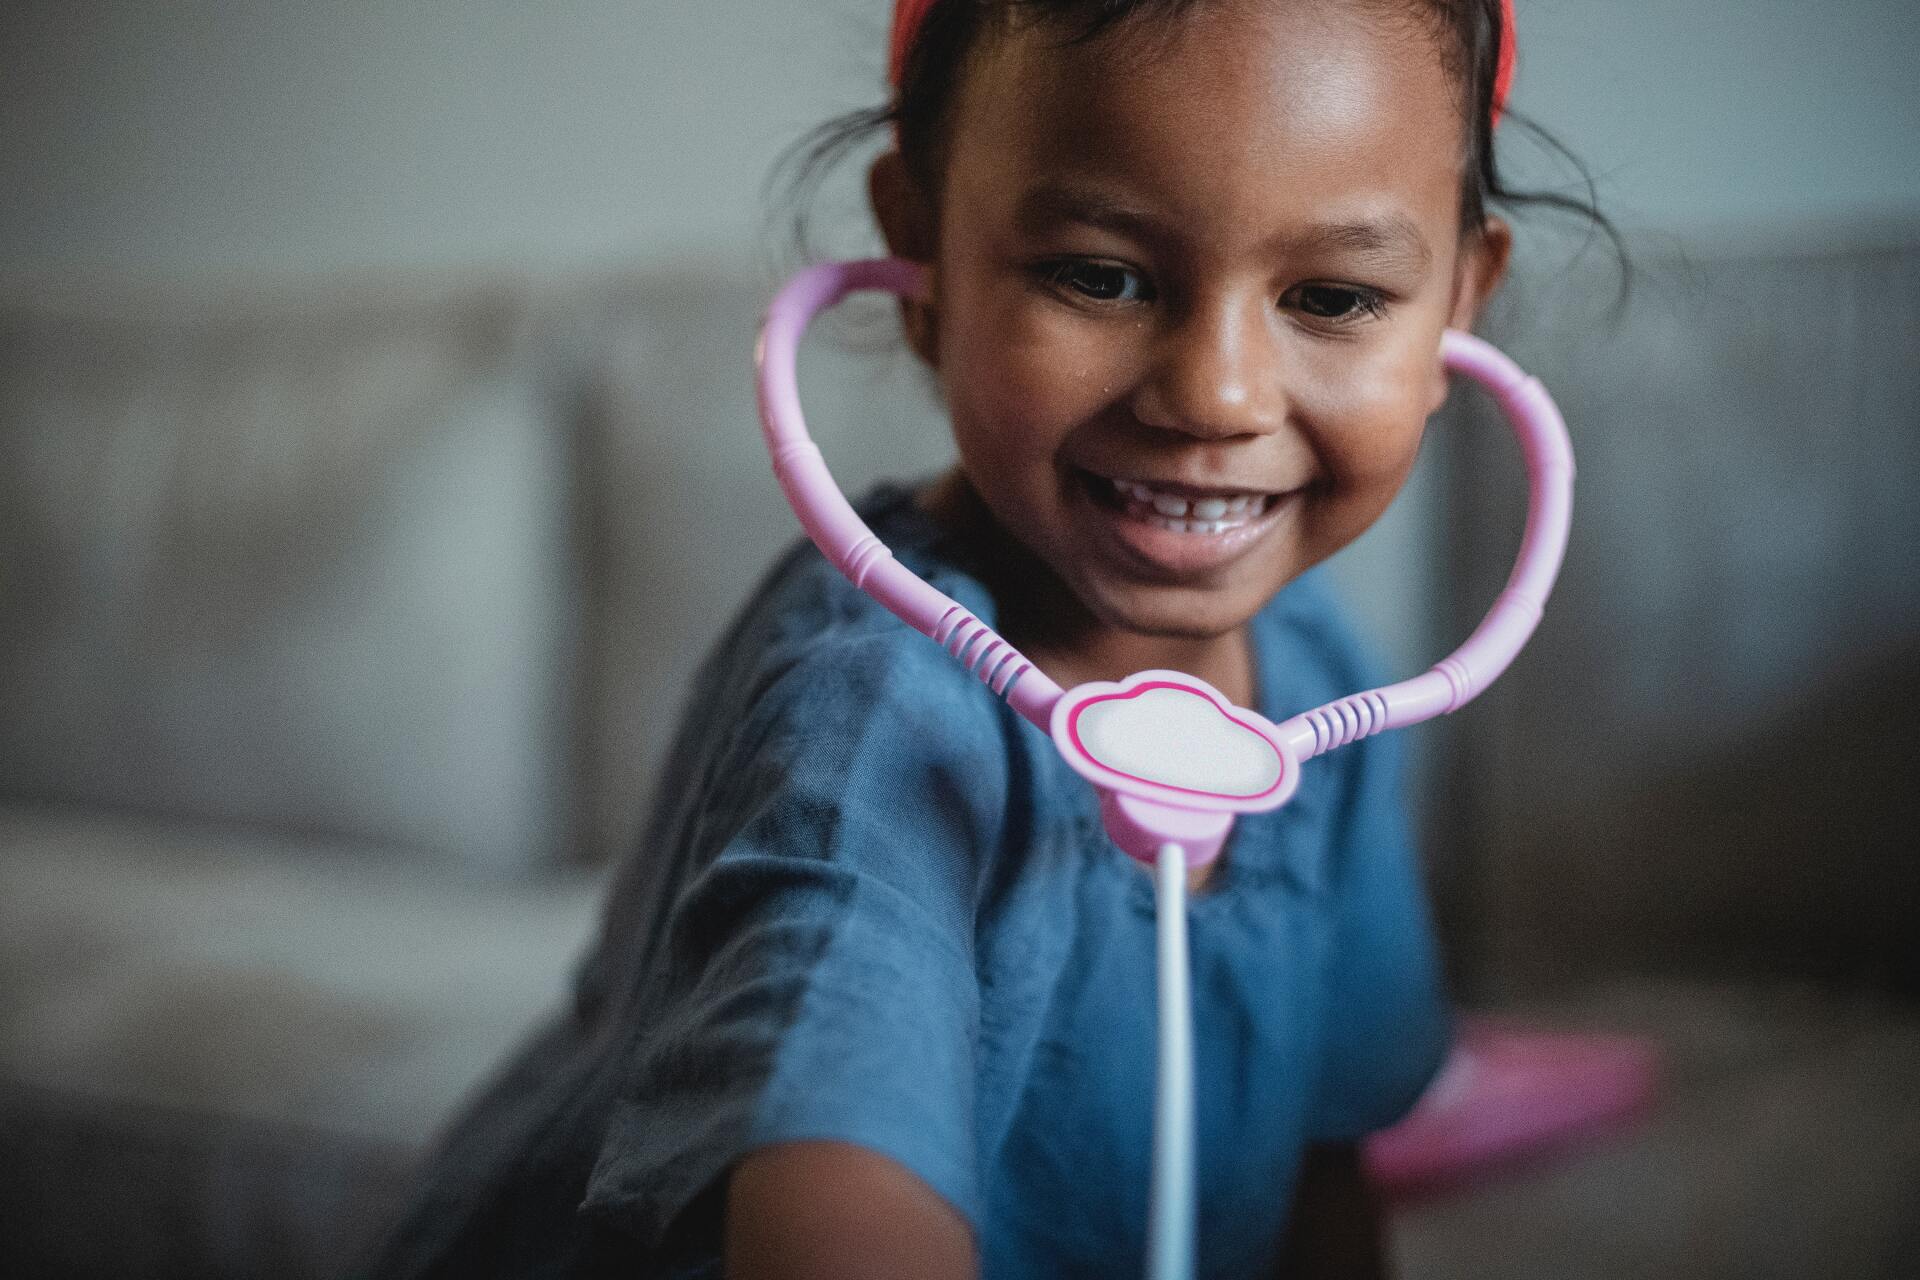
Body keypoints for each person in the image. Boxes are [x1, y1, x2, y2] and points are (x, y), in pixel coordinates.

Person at [357, 1, 1596, 1275]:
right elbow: (838, 1202)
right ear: (921, 250)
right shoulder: (869, 712)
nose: (1217, 393)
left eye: (1334, 296)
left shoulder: (1327, 689)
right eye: (1100, 275)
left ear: (1459, 305)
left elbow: (1322, 1172)